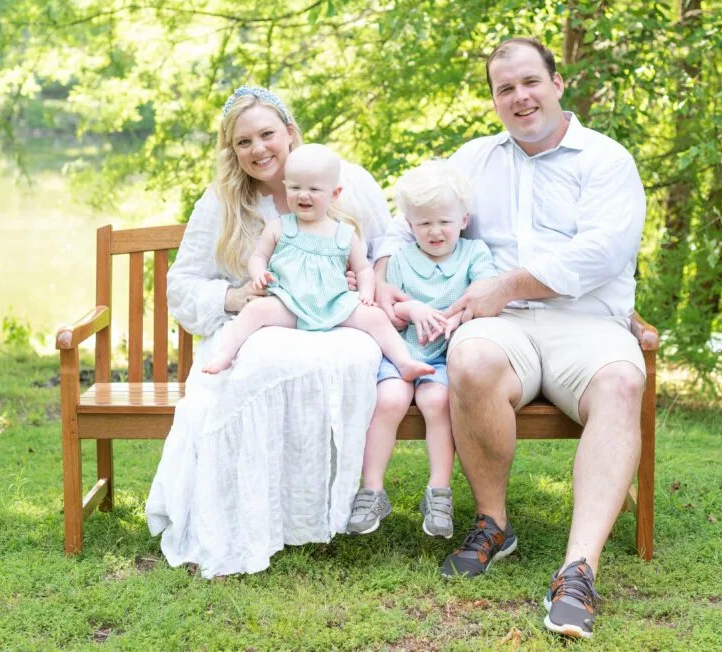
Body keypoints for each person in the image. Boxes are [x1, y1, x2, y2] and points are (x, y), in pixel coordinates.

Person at [376, 38, 647, 639]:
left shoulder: (605, 160)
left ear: (556, 83)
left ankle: (578, 570)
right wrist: (386, 283)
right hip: (503, 327)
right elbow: (404, 225)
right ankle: (493, 524)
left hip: (590, 322)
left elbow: (604, 251)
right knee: (469, 358)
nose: (520, 97)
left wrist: (508, 283)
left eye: (530, 82)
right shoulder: (473, 160)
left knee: (623, 382)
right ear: (495, 101)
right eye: (505, 89)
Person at [145, 86, 392, 578]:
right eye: (243, 142)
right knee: (262, 363)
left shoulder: (345, 180)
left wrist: (367, 280)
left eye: (267, 134)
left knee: (344, 359)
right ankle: (258, 515)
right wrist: (233, 299)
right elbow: (183, 284)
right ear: (231, 151)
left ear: (290, 133)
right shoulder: (223, 203)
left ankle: (329, 505)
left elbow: (387, 243)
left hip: (336, 317)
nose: (258, 149)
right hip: (267, 317)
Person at [346, 160, 497, 539]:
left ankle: (439, 491)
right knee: (389, 400)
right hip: (402, 354)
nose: (434, 231)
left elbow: (483, 296)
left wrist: (458, 320)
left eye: (444, 221)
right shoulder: (400, 260)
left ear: (463, 219)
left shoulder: (474, 254)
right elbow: (389, 312)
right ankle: (373, 490)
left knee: (436, 403)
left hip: (444, 358)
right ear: (409, 225)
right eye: (424, 223)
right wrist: (410, 308)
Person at [201, 143, 434, 380]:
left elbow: (363, 268)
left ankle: (404, 362)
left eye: (313, 189)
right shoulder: (280, 227)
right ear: (286, 187)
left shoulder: (344, 233)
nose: (303, 194)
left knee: (376, 318)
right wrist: (259, 272)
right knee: (254, 310)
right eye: (295, 187)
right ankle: (225, 355)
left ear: (334, 194)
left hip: (336, 304)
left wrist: (365, 292)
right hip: (290, 302)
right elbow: (258, 256)